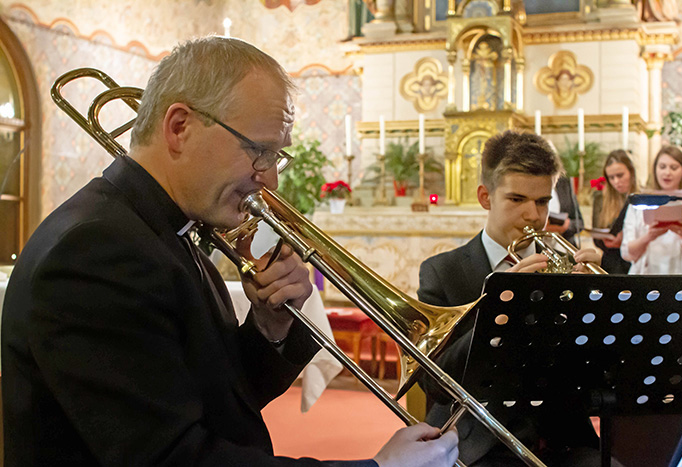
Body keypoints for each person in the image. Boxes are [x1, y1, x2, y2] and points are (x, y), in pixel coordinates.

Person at [1, 37, 459, 467]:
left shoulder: (162, 226)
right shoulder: (98, 250)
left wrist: (271, 326)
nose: (271, 179)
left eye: (277, 157)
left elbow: (216, 398)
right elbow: (173, 458)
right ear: (179, 127)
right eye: (259, 151)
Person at [417, 130, 604, 466]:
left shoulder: (570, 267)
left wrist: (599, 304)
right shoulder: (443, 272)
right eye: (517, 200)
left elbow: (602, 378)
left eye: (543, 201)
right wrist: (497, 312)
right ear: (485, 197)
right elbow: (434, 383)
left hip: (566, 439)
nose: (534, 215)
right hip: (480, 440)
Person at [621, 145, 682, 274]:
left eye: (673, 168)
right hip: (646, 277)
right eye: (662, 167)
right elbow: (627, 253)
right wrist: (649, 236)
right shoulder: (640, 203)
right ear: (655, 169)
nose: (667, 173)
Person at [591, 150, 639, 274]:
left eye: (620, 175)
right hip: (611, 263)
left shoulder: (642, 198)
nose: (616, 181)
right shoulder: (600, 199)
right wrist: (607, 241)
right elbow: (596, 237)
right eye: (611, 178)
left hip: (636, 263)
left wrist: (624, 239)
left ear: (631, 172)